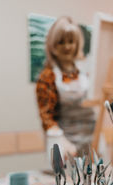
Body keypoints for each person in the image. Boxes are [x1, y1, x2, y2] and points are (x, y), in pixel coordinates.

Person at [36, 16, 95, 157]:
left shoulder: (86, 72)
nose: (67, 46)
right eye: (61, 42)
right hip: (65, 148)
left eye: (71, 41)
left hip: (92, 143)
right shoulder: (48, 76)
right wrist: (62, 142)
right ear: (53, 45)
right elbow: (47, 118)